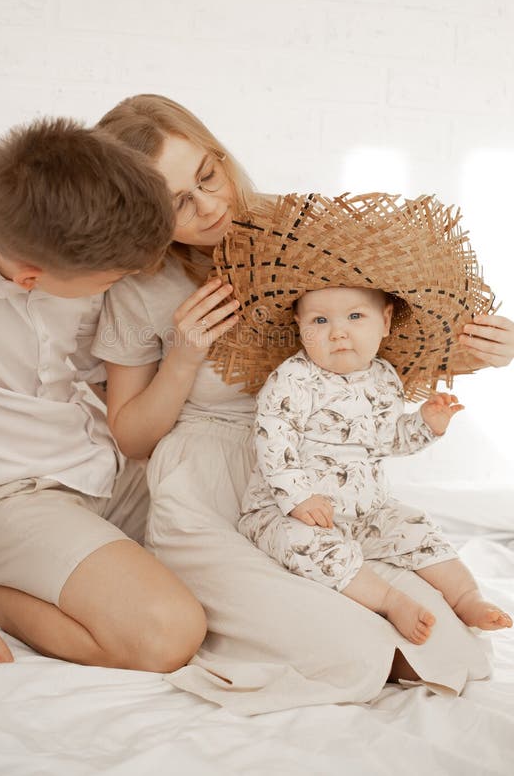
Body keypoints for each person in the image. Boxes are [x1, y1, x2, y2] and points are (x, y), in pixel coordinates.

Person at [92, 94, 514, 714]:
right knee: (353, 651)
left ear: (219, 152)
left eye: (208, 176)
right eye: (176, 202)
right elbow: (131, 437)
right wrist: (183, 357)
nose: (208, 206)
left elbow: (368, 353)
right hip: (205, 485)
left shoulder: (306, 235)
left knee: (441, 647)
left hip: (321, 487)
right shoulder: (138, 284)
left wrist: (480, 354)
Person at [0, 117, 207, 669]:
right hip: (2, 493)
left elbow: (106, 372)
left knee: (244, 510)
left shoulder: (75, 204)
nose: (119, 288)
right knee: (168, 634)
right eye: (109, 282)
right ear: (31, 278)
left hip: (98, 459)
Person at [239, 284, 512, 646]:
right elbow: (274, 438)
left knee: (417, 526)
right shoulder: (293, 378)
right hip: (291, 511)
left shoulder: (384, 378)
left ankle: (467, 597)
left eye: (355, 316)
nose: (338, 332)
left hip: (368, 511)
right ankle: (388, 600)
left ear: (385, 322)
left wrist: (425, 424)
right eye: (320, 320)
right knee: (304, 545)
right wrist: (299, 497)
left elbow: (388, 440)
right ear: (299, 326)